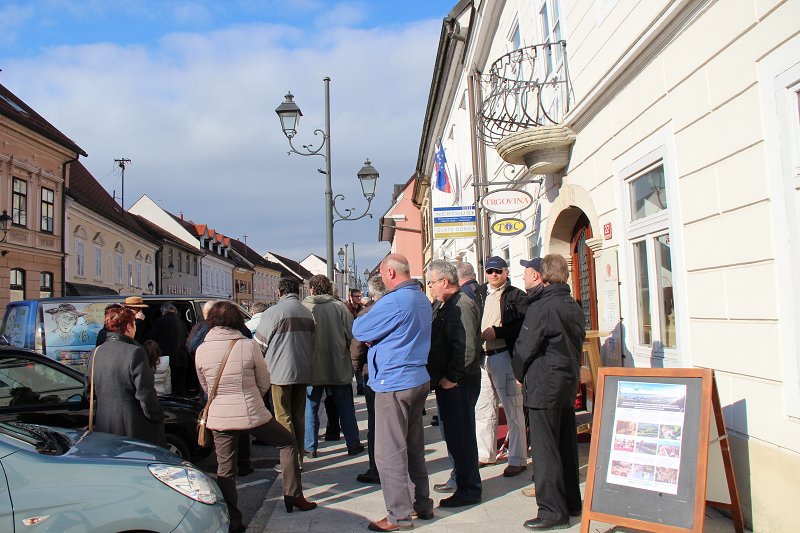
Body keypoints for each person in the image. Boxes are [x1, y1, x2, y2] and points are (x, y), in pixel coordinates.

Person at [195, 301, 316, 533]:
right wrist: (252, 396)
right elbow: (264, 379)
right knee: (287, 442)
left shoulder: (202, 349)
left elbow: (205, 386)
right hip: (251, 410)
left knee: (225, 469)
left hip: (220, 415)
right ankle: (293, 495)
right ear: (236, 320)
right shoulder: (247, 346)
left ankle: (234, 519)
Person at [353, 254, 434, 532]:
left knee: (389, 453)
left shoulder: (395, 300)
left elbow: (359, 328)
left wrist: (374, 335)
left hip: (394, 380)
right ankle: (422, 504)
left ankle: (399, 515)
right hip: (417, 377)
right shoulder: (421, 297)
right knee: (413, 447)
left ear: (389, 273)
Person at [512, 254, 586, 531]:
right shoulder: (572, 303)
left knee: (545, 451)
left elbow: (525, 346)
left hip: (544, 383)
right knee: (566, 446)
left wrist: (519, 373)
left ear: (542, 277)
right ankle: (571, 502)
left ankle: (552, 511)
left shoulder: (542, 306)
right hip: (567, 381)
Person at [426, 260, 482, 507]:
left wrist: (452, 377)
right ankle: (461, 479)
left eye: (431, 282)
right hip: (448, 383)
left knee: (462, 437)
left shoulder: (462, 305)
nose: (430, 287)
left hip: (459, 384)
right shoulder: (445, 304)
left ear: (444, 281)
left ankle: (469, 489)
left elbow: (467, 347)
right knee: (454, 436)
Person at [474, 256, 529, 477]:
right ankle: (484, 453)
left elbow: (526, 324)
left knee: (513, 408)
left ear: (506, 272)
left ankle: (517, 458)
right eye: (490, 271)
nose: (494, 275)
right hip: (483, 357)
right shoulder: (478, 293)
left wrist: (499, 332)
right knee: (484, 408)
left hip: (504, 355)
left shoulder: (516, 295)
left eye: (498, 271)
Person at [85, 304, 166, 447]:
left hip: (104, 424)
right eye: (134, 323)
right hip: (132, 427)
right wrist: (158, 415)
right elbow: (145, 394)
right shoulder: (135, 352)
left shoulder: (96, 352)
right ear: (129, 327)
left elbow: (89, 390)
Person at [302, 274, 364, 457]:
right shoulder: (340, 308)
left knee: (311, 408)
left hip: (312, 367)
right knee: (345, 406)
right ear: (329, 289)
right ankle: (352, 444)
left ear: (311, 289)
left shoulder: (305, 307)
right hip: (338, 364)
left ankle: (310, 447)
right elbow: (351, 335)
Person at [190, 300, 254, 476]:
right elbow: (261, 375)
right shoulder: (244, 332)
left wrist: (209, 393)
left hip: (217, 395)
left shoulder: (204, 332)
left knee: (222, 435)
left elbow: (192, 350)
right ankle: (244, 464)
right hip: (242, 396)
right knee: (242, 432)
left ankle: (227, 470)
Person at [255, 277, 314, 461]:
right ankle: (300, 459)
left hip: (279, 373)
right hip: (303, 371)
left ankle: (291, 461)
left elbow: (258, 345)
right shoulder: (307, 313)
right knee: (298, 416)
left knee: (283, 416)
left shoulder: (273, 312)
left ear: (280, 292)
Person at [350, 274, 386, 484]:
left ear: (371, 293)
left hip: (372, 372)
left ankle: (376, 468)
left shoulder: (367, 313)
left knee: (375, 424)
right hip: (394, 373)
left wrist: (356, 370)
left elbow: (357, 347)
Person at [148, 302, 189, 396]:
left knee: (170, 390)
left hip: (167, 360)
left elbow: (151, 337)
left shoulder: (160, 321)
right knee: (180, 389)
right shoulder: (181, 322)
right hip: (182, 359)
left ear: (163, 312)